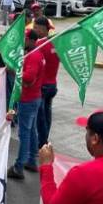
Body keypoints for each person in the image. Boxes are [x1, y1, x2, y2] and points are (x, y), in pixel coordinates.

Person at [8, 30, 45, 180]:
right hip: (34, 98)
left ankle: (19, 167)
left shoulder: (34, 56)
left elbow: (29, 78)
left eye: (24, 38)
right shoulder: (36, 54)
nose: (22, 41)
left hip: (28, 99)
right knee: (31, 131)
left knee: (24, 133)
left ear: (30, 40)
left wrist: (15, 71)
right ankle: (31, 160)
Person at [33, 16, 59, 147]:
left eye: (36, 28)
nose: (34, 30)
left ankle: (42, 142)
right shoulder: (57, 43)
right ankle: (45, 138)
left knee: (40, 117)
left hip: (42, 86)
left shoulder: (39, 44)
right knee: (47, 114)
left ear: (44, 29)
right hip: (52, 85)